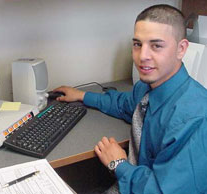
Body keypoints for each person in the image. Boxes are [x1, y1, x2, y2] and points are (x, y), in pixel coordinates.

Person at [53, 4, 207, 194]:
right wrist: (82, 95)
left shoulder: (195, 119)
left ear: (181, 49)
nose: (142, 56)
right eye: (137, 44)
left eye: (156, 46)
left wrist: (119, 164)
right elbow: (124, 105)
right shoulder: (147, 88)